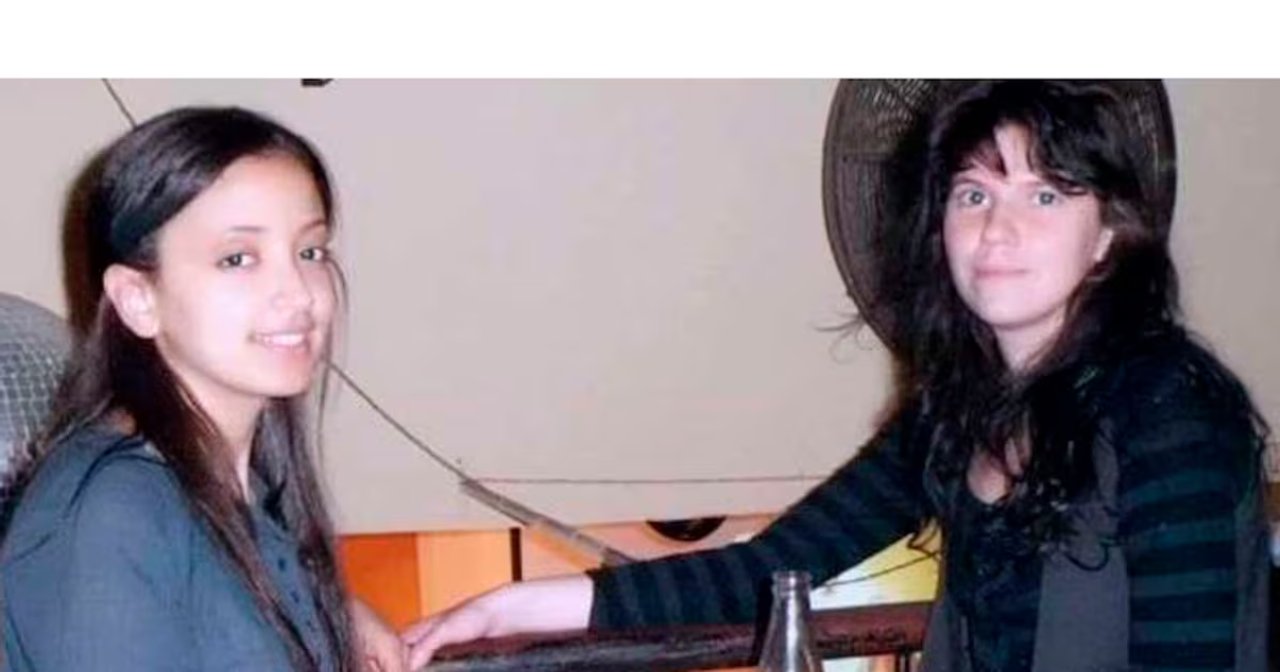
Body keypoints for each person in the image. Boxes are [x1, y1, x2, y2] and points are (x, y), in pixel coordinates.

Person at [403, 80, 1271, 671]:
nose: (997, 230)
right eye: (973, 194)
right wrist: (508, 608)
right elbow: (772, 566)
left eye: (1045, 195)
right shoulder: (958, 412)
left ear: (1108, 235)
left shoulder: (1167, 411)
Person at [0, 107, 407, 671]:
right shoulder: (111, 513)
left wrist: (335, 612)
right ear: (138, 298)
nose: (299, 292)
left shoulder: (243, 488)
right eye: (238, 259)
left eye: (309, 252)